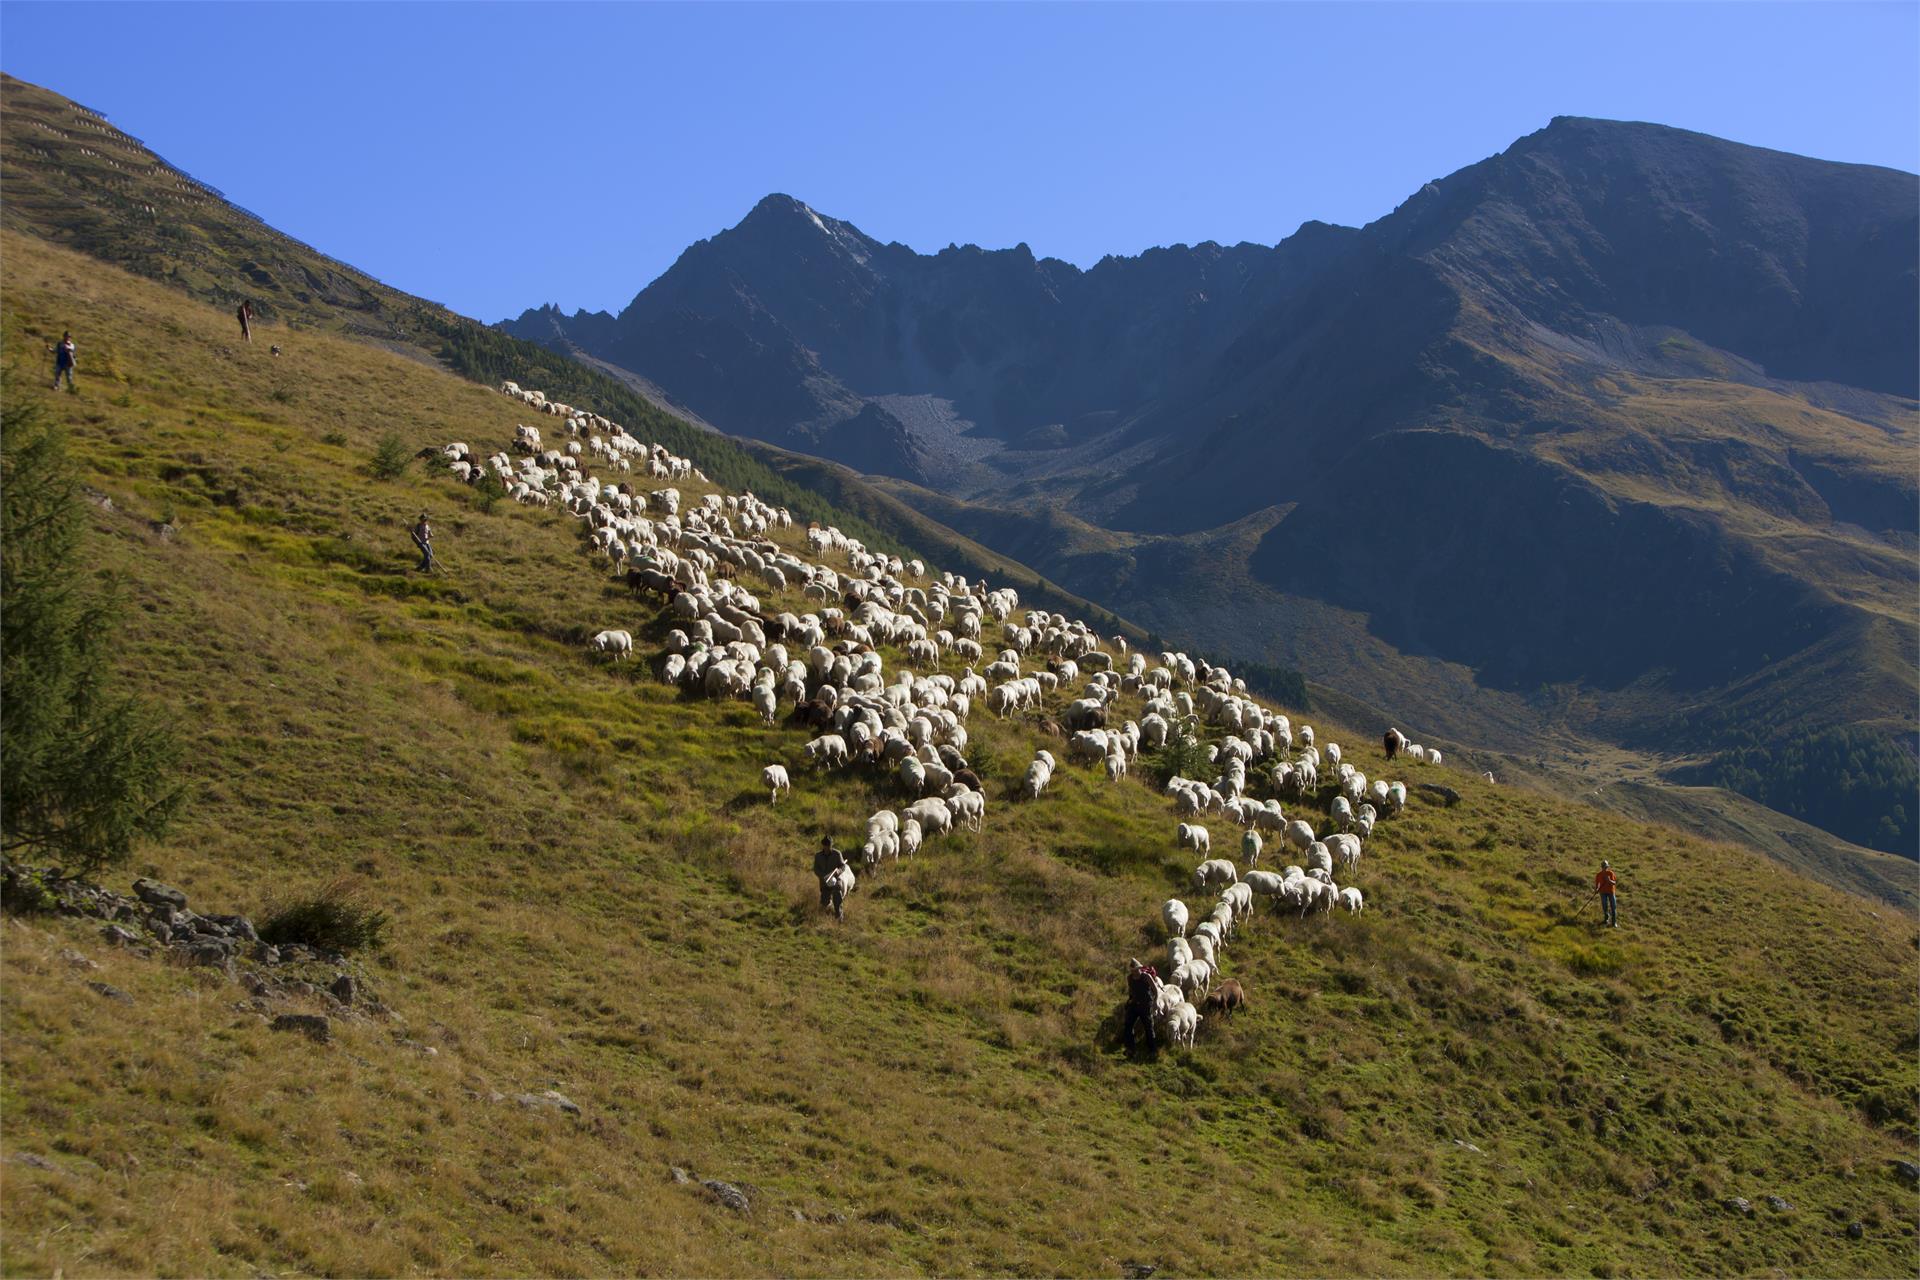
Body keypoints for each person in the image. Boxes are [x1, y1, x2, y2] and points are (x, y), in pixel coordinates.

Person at [1122, 958, 1161, 1055]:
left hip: (1146, 1005)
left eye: (1136, 970)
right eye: (1133, 970)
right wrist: (1130, 1000)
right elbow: (1131, 990)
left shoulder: (1146, 976)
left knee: (1148, 1027)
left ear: (1139, 968)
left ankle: (1152, 1050)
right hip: (1134, 1004)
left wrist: (1155, 1002)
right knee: (1128, 1025)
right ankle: (1130, 1049)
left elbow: (1155, 990)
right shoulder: (1129, 978)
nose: (1134, 972)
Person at [812, 834, 848, 910]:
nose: (827, 847)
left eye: (829, 845)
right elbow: (816, 869)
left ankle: (839, 916)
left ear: (831, 845)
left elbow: (843, 866)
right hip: (824, 882)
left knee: (837, 898)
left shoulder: (837, 854)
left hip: (836, 880)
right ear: (823, 845)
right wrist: (824, 876)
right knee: (824, 903)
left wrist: (838, 871)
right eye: (826, 845)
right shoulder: (818, 856)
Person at [1595, 860, 1618, 928]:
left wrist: (1609, 881)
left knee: (1613, 907)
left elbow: (1614, 883)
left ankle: (1614, 922)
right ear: (1602, 867)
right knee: (1604, 906)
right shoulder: (1598, 875)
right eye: (1604, 867)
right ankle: (1606, 919)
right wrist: (1596, 890)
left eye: (1606, 867)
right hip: (1602, 892)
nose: (1605, 868)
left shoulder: (1610, 873)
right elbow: (1597, 884)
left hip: (1611, 892)